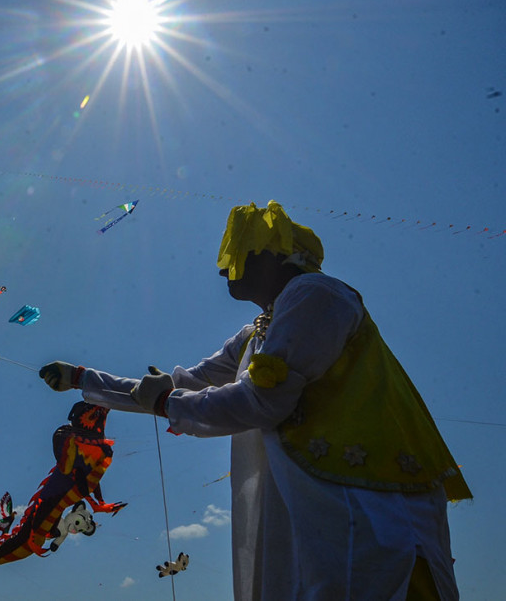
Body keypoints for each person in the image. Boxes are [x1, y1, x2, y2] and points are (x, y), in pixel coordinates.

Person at [39, 200, 470, 601]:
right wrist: (82, 378)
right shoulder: (257, 331)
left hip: (364, 500)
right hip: (308, 497)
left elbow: (261, 401)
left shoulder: (317, 294)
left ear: (274, 257)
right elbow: (182, 384)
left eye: (238, 253)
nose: (223, 269)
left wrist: (165, 402)